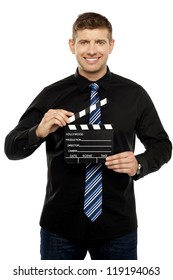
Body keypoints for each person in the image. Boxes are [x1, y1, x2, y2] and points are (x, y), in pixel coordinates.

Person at [4, 12, 172, 260]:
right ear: (72, 45)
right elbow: (11, 148)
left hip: (118, 227)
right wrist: (38, 131)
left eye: (100, 42)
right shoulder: (51, 95)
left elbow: (162, 145)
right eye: (84, 42)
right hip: (60, 226)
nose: (91, 50)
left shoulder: (134, 94)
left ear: (111, 45)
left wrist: (139, 164)